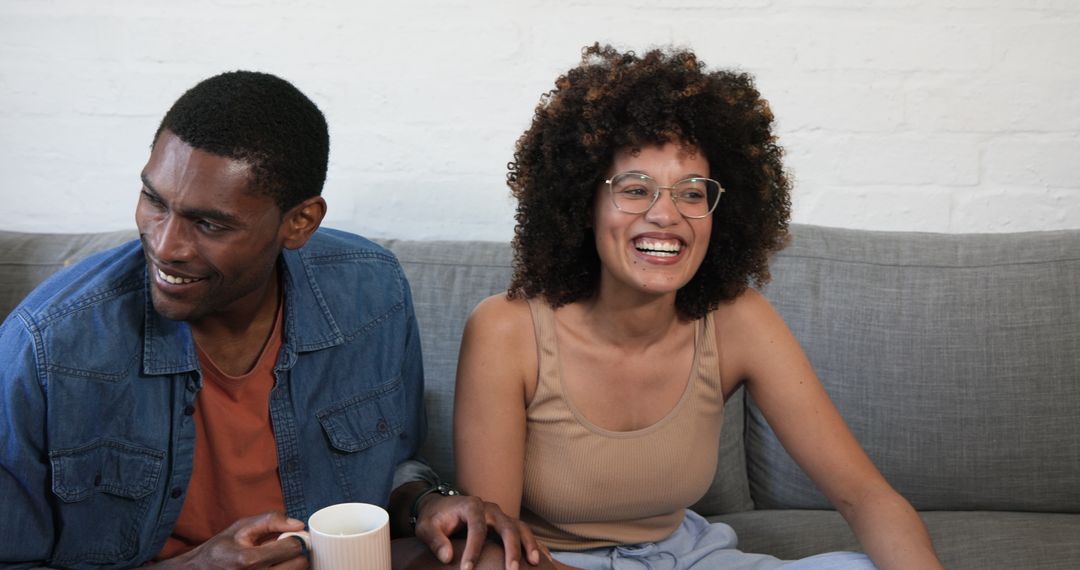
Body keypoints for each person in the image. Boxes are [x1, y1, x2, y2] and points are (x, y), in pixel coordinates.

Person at [0, 71, 543, 570]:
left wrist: (425, 503)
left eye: (209, 224)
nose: (165, 245)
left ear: (300, 222)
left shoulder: (371, 294)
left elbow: (394, 464)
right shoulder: (49, 346)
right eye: (153, 200)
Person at [453, 44, 945, 569]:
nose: (666, 214)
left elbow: (865, 496)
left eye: (692, 193)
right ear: (583, 205)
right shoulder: (506, 330)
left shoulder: (740, 321)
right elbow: (492, 549)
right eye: (636, 189)